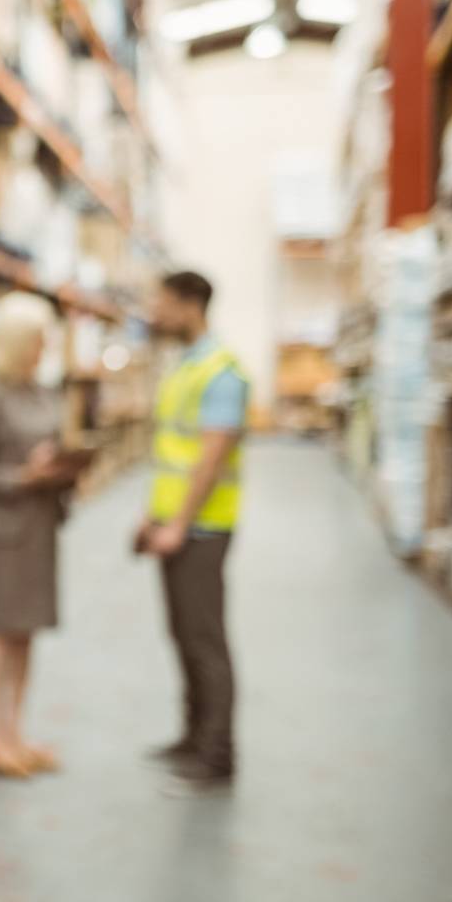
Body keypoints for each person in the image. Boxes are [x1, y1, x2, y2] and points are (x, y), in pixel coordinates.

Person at [135, 270, 249, 792]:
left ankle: (217, 755)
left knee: (203, 638)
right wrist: (152, 516)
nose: (153, 312)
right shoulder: (185, 366)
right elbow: (170, 456)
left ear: (189, 305)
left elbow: (209, 458)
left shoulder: (220, 372)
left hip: (203, 528)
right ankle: (192, 737)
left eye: (162, 302)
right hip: (176, 523)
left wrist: (178, 524)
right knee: (182, 631)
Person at [0, 293, 82, 779]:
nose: (45, 348)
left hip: (41, 524)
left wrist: (65, 469)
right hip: (7, 529)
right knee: (0, 633)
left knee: (27, 634)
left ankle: (17, 733)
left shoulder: (40, 388)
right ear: (15, 342)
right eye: (37, 339)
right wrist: (23, 477)